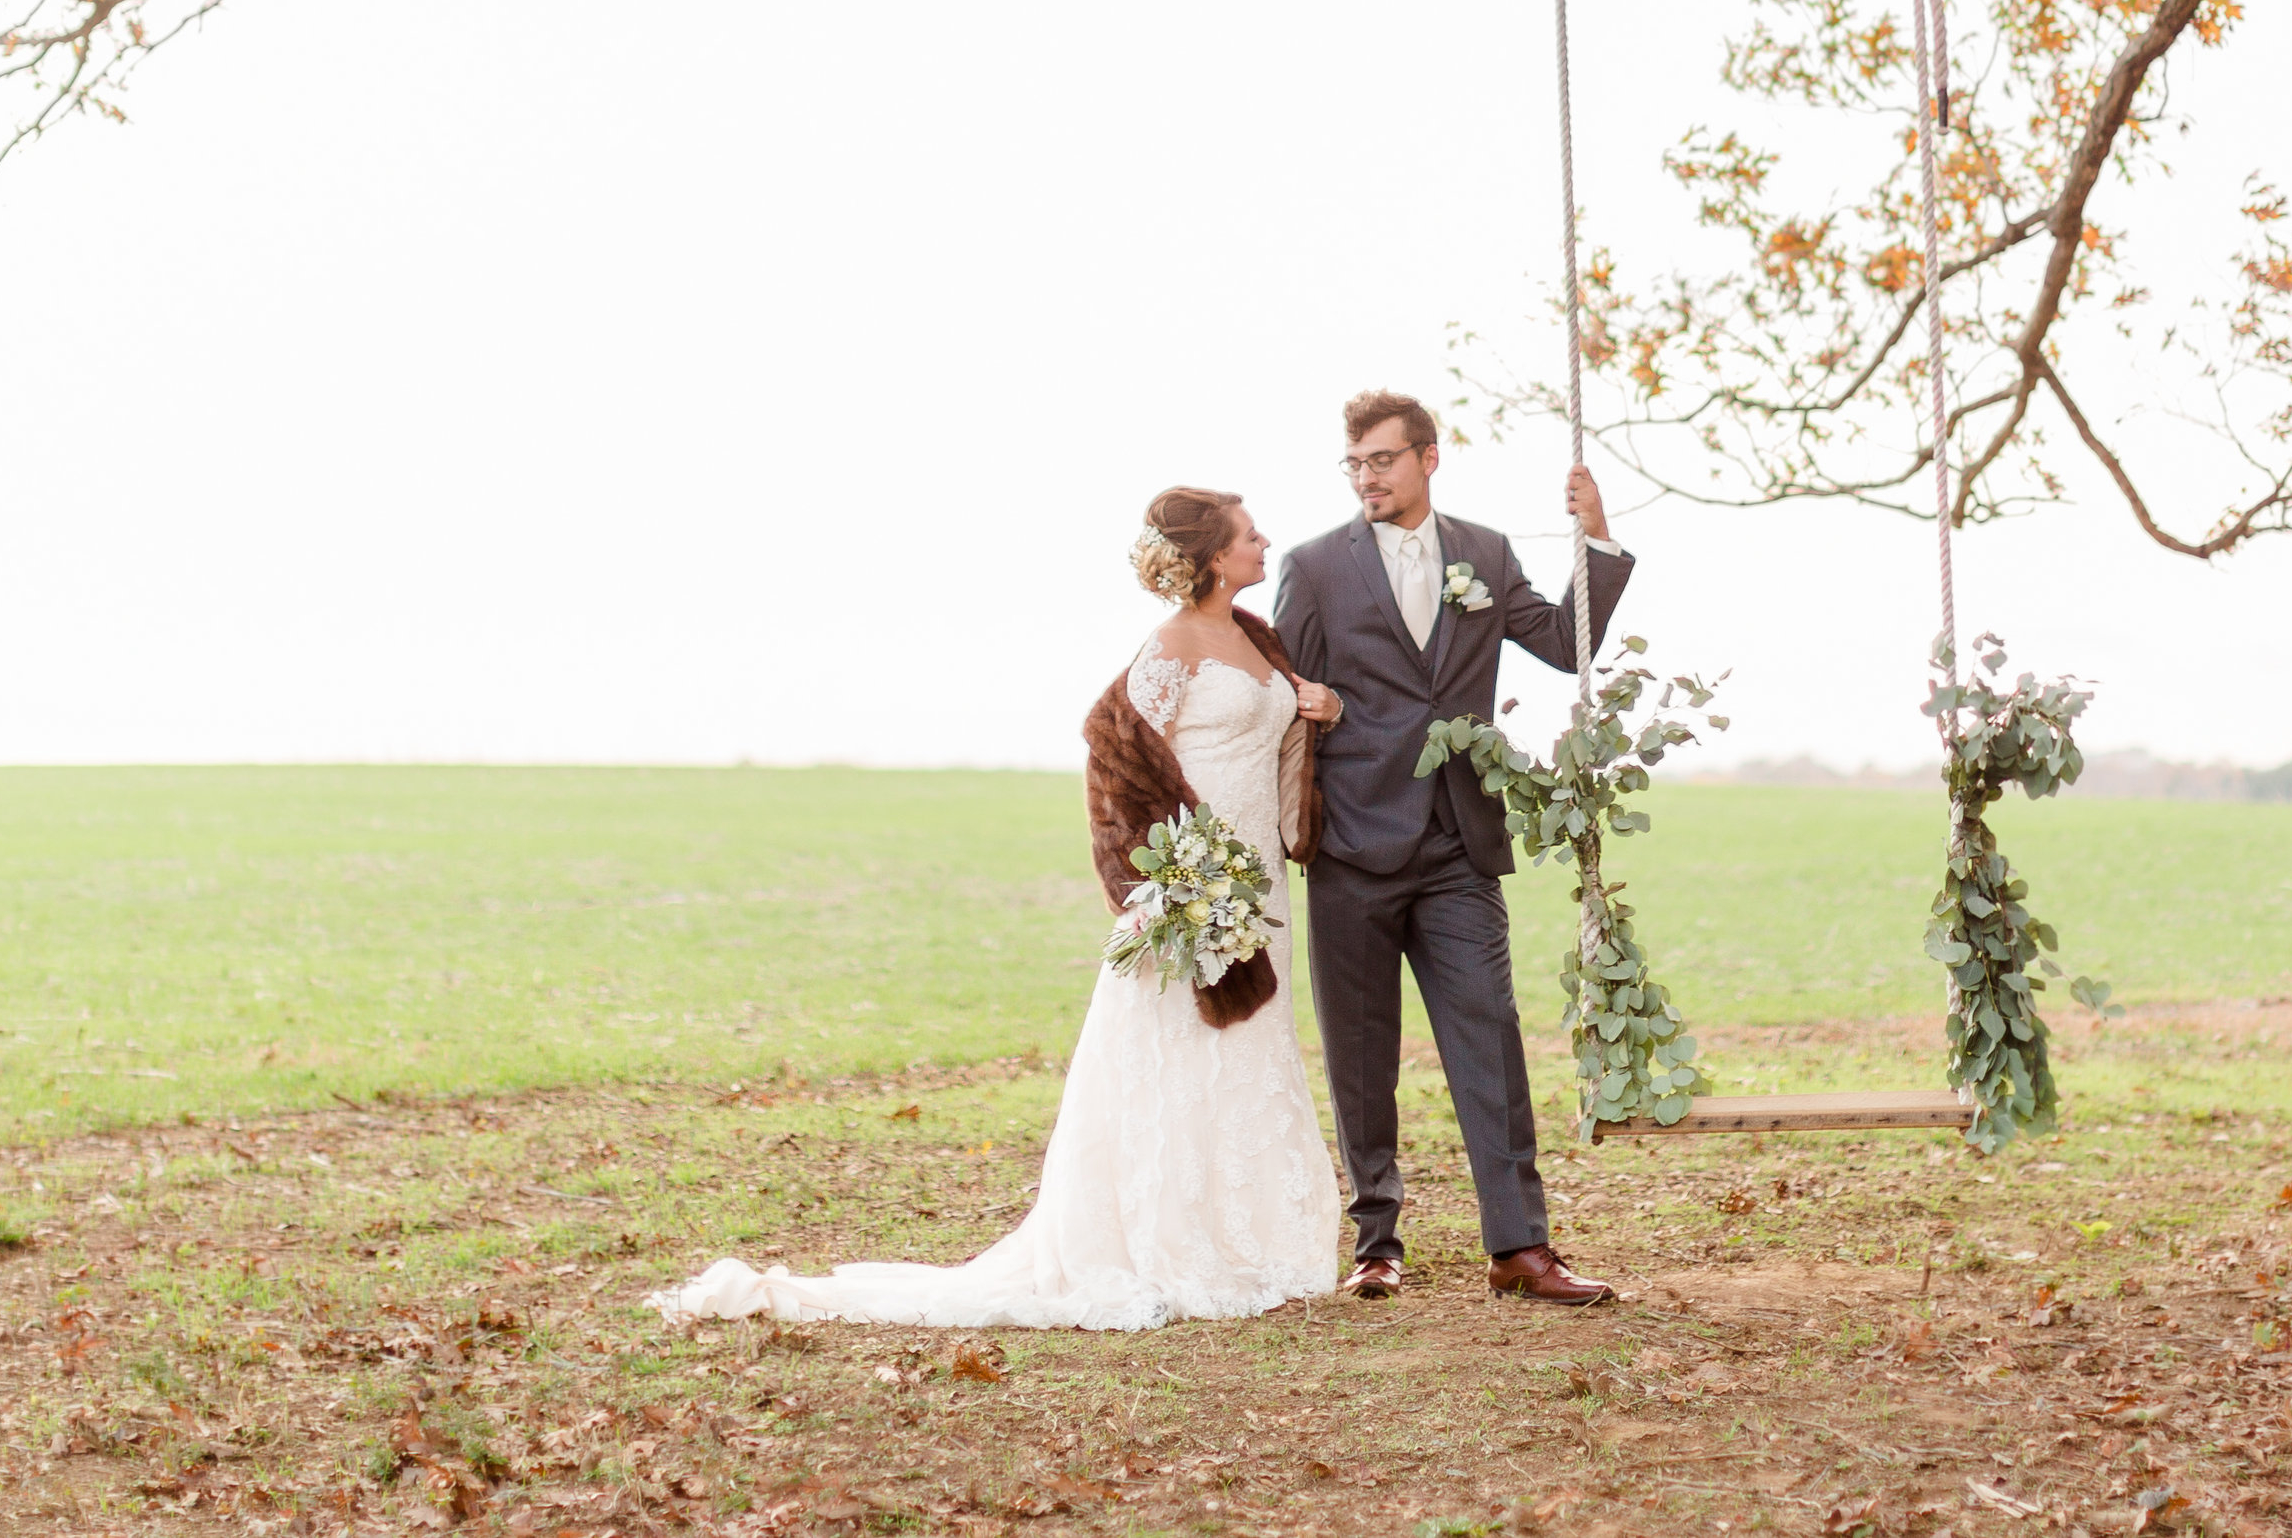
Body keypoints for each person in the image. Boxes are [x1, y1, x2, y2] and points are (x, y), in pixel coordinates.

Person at [647, 487, 1348, 1329]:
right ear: (1211, 556)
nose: (1264, 540)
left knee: (1251, 1043)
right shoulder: (1167, 648)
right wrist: (1159, 882)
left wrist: (1323, 707)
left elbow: (1287, 720)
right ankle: (1171, 1239)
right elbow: (1118, 760)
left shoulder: (1257, 636)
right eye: (1249, 534)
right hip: (1192, 888)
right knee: (1180, 1047)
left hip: (1257, 877)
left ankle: (1253, 1233)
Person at [1273, 391, 1633, 1306]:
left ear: (1429, 458)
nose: (1368, 477)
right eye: (1354, 464)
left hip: (1459, 842)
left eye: (1383, 460)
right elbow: (1285, 693)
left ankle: (1519, 1245)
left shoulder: (1487, 551)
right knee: (1361, 1055)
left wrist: (1595, 540)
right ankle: (1375, 1242)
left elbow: (1563, 643)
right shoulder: (1313, 566)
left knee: (1491, 1038)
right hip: (1351, 844)